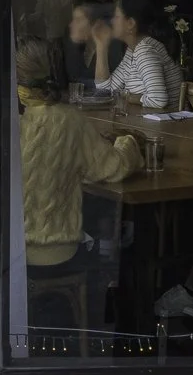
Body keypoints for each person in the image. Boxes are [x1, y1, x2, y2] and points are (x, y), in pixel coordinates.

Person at [17, 38, 140, 273]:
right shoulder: (70, 120)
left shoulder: (7, 123)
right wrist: (129, 143)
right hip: (58, 254)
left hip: (8, 253)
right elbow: (113, 167)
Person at [93, 0, 183, 110]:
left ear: (130, 24)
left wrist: (125, 95)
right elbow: (105, 91)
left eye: (116, 16)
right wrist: (101, 46)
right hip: (144, 124)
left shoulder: (145, 51)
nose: (112, 21)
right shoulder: (132, 51)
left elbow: (158, 100)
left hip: (167, 127)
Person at [63, 0, 123, 89]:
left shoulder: (114, 49)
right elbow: (73, 79)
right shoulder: (78, 47)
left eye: (78, 20)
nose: (71, 24)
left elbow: (106, 88)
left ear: (96, 24)